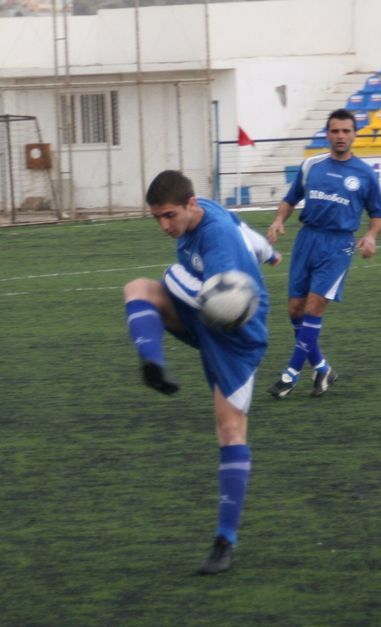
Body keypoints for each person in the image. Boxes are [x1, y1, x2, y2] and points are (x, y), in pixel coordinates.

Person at [122, 170, 281, 574]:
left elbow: (225, 296)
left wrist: (176, 281)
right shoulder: (207, 210)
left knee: (229, 430)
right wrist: (268, 252)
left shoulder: (217, 238)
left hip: (237, 336)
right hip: (204, 315)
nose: (164, 226)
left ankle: (225, 540)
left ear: (191, 205)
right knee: (136, 289)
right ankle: (153, 364)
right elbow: (248, 232)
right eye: (156, 218)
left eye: (169, 216)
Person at [265, 108, 381, 398]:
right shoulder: (312, 166)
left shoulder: (365, 174)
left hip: (338, 246)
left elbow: (379, 213)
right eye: (335, 131)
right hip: (306, 240)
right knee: (295, 310)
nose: (341, 136)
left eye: (346, 131)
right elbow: (290, 199)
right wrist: (279, 220)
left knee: (313, 308)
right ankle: (322, 369)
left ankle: (289, 376)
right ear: (327, 134)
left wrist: (370, 235)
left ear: (354, 134)